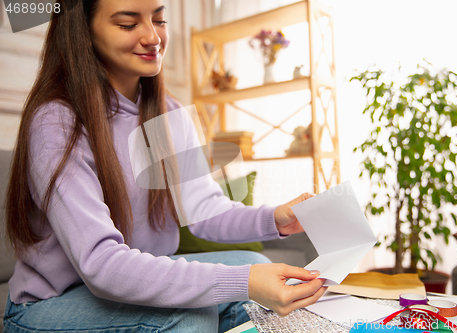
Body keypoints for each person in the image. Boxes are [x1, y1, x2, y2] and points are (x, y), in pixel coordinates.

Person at [3, 0, 327, 332]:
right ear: (83, 32)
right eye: (129, 25)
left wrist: (276, 219)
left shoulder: (169, 114)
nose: (153, 37)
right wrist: (241, 282)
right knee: (189, 315)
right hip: (52, 304)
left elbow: (202, 209)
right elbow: (101, 265)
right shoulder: (56, 123)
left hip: (135, 284)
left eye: (159, 19)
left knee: (254, 263)